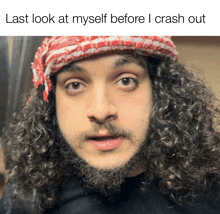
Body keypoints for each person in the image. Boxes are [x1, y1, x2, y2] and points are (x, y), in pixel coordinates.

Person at [1, 36, 220, 213]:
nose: (101, 111)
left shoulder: (211, 187)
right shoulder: (26, 195)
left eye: (126, 80)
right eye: (75, 85)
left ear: (160, 91)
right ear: (52, 101)